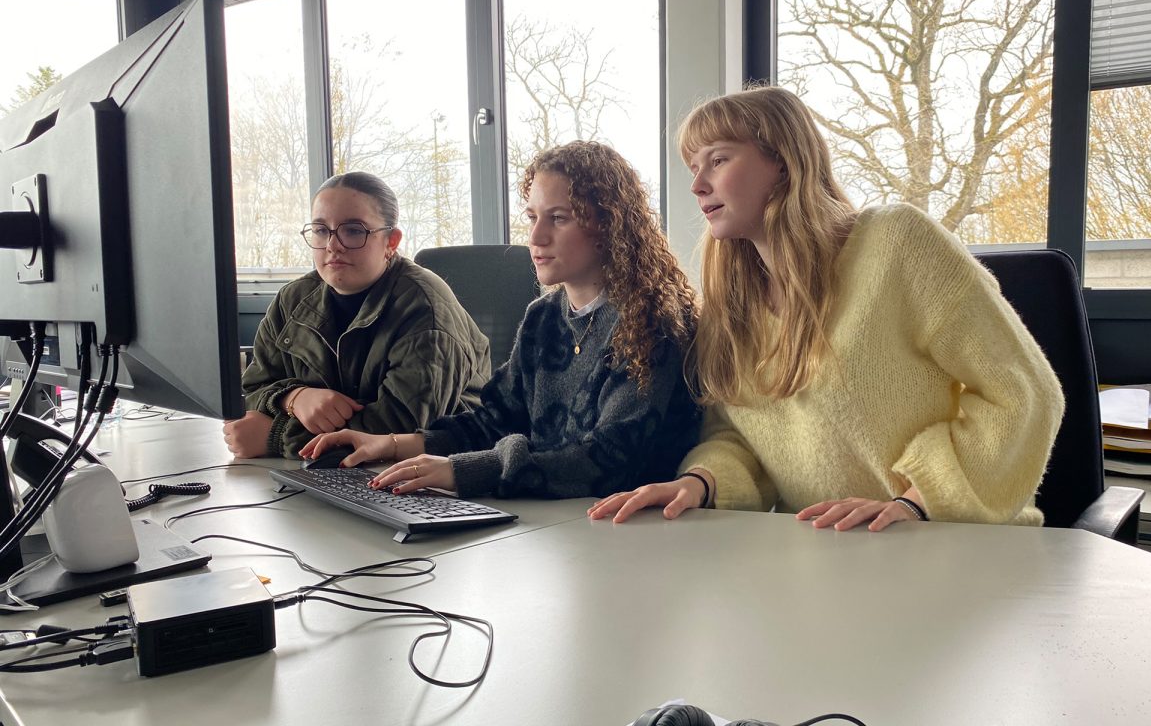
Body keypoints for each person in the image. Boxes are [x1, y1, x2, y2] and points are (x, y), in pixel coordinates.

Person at [588, 86, 1064, 530]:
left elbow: (1025, 392)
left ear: (783, 162)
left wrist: (918, 501)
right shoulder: (734, 304)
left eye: (717, 160)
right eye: (693, 166)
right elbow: (738, 439)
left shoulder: (897, 243)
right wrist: (697, 483)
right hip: (829, 557)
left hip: (953, 543)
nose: (697, 185)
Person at [302, 141, 701, 500]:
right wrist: (388, 445)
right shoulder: (544, 317)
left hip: (634, 534)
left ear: (609, 224)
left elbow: (609, 460)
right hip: (552, 526)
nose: (537, 237)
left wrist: (462, 471)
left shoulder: (652, 319)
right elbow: (492, 422)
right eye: (532, 217)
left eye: (559, 218)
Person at [222, 171, 491, 460]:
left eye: (353, 230)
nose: (332, 245)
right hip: (330, 474)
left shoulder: (425, 308)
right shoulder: (293, 300)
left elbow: (400, 428)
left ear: (391, 241)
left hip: (436, 476)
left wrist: (277, 436)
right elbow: (251, 391)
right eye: (321, 230)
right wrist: (293, 398)